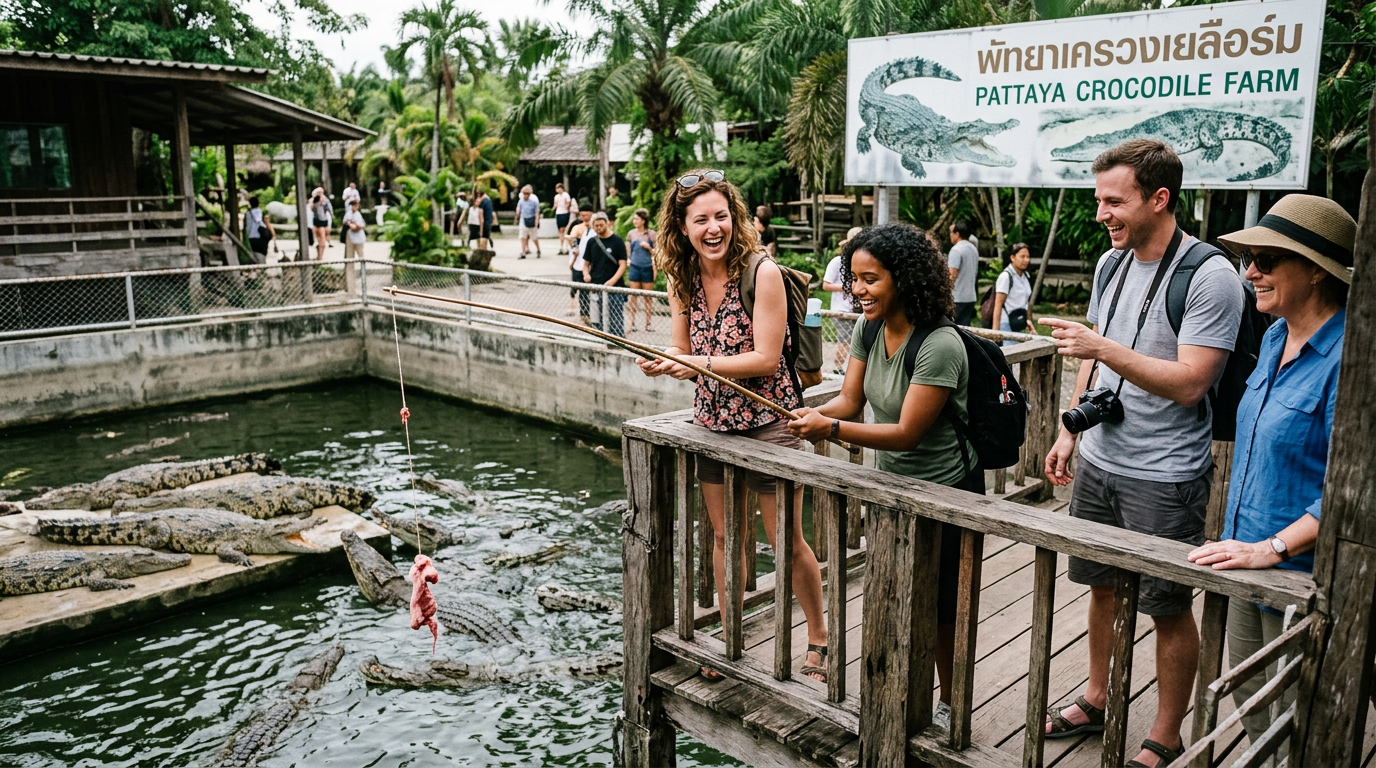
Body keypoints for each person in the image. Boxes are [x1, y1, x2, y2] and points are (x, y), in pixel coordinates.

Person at [1040, 139, 1244, 768]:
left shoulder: (1210, 276)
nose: (1102, 212)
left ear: (1160, 199)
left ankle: (1165, 732)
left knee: (1166, 604)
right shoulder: (1113, 263)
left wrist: (1100, 349)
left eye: (1113, 201)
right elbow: (1089, 356)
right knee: (1098, 585)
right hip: (1101, 459)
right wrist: (1071, 428)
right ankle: (1098, 697)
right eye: (1099, 199)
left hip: (1165, 472)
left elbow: (1191, 383)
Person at [636, 168, 828, 682]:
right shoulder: (682, 278)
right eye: (701, 219)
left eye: (721, 216)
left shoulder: (761, 273)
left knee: (787, 538)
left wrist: (699, 363)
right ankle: (731, 634)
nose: (713, 227)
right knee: (725, 537)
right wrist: (666, 359)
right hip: (714, 422)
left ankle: (819, 640)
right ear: (681, 226)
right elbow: (682, 346)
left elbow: (766, 358)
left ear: (734, 218)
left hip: (771, 421)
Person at [789, 222, 982, 726]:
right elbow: (851, 401)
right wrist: (804, 417)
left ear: (905, 278)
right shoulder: (870, 330)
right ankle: (899, 690)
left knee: (944, 608)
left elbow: (906, 433)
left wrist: (828, 427)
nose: (857, 290)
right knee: (895, 590)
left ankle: (951, 701)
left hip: (947, 494)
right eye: (854, 278)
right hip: (892, 488)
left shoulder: (940, 344)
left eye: (870, 279)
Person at [1187, 194, 1354, 759]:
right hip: (1246, 558)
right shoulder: (1274, 337)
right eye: (1248, 257)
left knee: (1302, 726)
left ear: (1315, 270)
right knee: (1257, 712)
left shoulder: (1350, 359)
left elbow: (1350, 491)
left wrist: (1274, 548)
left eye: (1266, 258)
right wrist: (1248, 547)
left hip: (1303, 580)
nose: (1250, 271)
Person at [822, 227, 862, 375]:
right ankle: (837, 368)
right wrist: (848, 288)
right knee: (846, 339)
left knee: (854, 340)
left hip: (857, 308)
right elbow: (826, 285)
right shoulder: (837, 262)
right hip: (841, 308)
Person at [582, 212, 628, 336]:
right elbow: (586, 264)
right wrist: (586, 274)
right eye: (596, 226)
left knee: (616, 316)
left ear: (607, 223)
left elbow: (623, 264)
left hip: (614, 286)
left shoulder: (617, 241)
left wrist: (613, 281)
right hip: (596, 286)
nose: (599, 228)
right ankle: (603, 338)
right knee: (598, 317)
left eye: (601, 225)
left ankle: (618, 339)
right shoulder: (591, 242)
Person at [990, 242, 1035, 346]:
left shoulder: (1025, 277)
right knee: (1011, 355)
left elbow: (1026, 301)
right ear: (1012, 257)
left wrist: (1029, 321)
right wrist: (995, 331)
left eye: (1028, 257)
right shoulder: (1006, 277)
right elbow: (998, 304)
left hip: (1020, 322)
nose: (1026, 260)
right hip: (1007, 323)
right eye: (1022, 256)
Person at [626, 207, 658, 332]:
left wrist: (649, 248)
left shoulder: (651, 234)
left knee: (647, 297)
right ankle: (632, 323)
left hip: (647, 268)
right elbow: (629, 250)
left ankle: (648, 324)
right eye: (634, 219)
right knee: (633, 296)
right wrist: (629, 259)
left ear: (643, 220)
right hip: (634, 267)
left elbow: (657, 252)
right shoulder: (631, 234)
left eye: (637, 219)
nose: (634, 221)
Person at [947, 220, 979, 326]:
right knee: (965, 329)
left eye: (951, 233)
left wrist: (945, 293)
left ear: (957, 234)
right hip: (970, 296)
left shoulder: (956, 250)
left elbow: (952, 275)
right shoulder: (973, 249)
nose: (950, 236)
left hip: (957, 297)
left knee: (953, 329)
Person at [567, 208, 593, 320]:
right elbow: (570, 238)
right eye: (582, 215)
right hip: (578, 262)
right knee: (575, 287)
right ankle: (573, 307)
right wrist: (573, 247)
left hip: (588, 262)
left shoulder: (592, 229)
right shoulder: (577, 227)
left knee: (586, 291)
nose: (584, 217)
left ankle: (586, 313)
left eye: (586, 215)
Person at [244, 196, 276, 260]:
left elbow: (247, 225)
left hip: (251, 236)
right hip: (259, 236)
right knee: (261, 253)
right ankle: (261, 266)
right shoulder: (258, 211)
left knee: (255, 252)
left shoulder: (248, 213)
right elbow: (259, 221)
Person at [516, 184, 541, 258]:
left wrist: (537, 221)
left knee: (534, 237)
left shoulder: (534, 202)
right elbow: (518, 210)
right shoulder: (521, 201)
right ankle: (523, 252)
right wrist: (516, 217)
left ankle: (538, 249)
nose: (525, 195)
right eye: (524, 193)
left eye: (527, 193)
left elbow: (537, 212)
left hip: (531, 220)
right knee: (522, 237)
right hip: (523, 221)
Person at [309, 187, 333, 260]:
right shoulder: (314, 200)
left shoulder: (326, 201)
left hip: (323, 221)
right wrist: (315, 201)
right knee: (318, 240)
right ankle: (318, 255)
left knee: (323, 240)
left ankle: (320, 256)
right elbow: (311, 209)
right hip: (316, 221)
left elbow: (330, 211)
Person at [553, 183, 572, 255]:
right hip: (558, 213)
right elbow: (555, 204)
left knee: (564, 230)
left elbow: (568, 203)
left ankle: (566, 247)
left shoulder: (566, 195)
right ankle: (561, 247)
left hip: (564, 213)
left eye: (560, 188)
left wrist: (567, 208)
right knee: (560, 230)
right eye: (557, 188)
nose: (559, 189)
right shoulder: (556, 197)